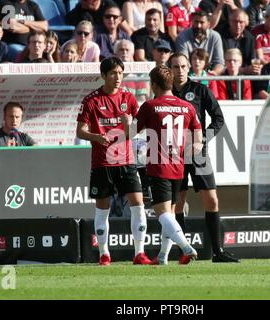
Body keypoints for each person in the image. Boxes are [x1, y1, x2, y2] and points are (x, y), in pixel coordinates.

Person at [76, 57, 152, 266]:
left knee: (138, 204)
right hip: (102, 163)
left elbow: (138, 129)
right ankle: (104, 254)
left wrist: (130, 125)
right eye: (113, 73)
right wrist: (95, 137)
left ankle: (139, 253)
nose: (117, 77)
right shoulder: (91, 100)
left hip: (127, 161)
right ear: (103, 75)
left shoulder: (129, 98)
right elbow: (80, 131)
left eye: (120, 73)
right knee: (103, 208)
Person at [169, 52, 240, 263]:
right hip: (175, 156)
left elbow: (218, 119)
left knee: (212, 200)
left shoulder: (200, 90)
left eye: (183, 67)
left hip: (198, 153)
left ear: (188, 68)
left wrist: (203, 139)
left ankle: (218, 253)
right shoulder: (164, 94)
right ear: (170, 70)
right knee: (178, 203)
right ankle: (183, 251)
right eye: (175, 67)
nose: (179, 71)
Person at [130, 64, 203, 265]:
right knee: (169, 214)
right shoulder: (187, 107)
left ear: (154, 84)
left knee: (162, 214)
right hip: (178, 167)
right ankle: (162, 256)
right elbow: (198, 133)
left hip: (159, 166)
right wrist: (195, 147)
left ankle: (186, 247)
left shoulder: (151, 106)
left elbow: (130, 132)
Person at [176, 10, 225, 75]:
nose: (198, 26)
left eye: (202, 22)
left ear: (208, 24)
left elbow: (219, 62)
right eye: (196, 22)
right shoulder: (182, 36)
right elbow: (183, 61)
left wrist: (214, 73)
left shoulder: (215, 37)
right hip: (189, 76)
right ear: (192, 22)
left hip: (210, 77)